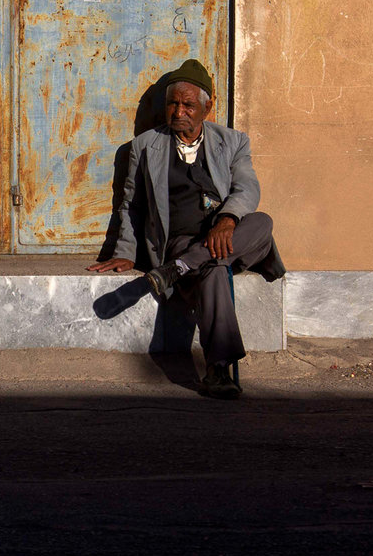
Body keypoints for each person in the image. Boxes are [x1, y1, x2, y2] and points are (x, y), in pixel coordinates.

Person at [87, 59, 285, 399]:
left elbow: (247, 188)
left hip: (232, 236)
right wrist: (124, 252)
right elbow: (131, 204)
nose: (179, 111)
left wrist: (227, 220)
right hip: (181, 241)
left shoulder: (234, 141)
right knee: (213, 269)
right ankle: (218, 370)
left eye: (188, 104)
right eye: (173, 104)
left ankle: (177, 269)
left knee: (262, 222)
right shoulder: (145, 146)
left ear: (207, 108)